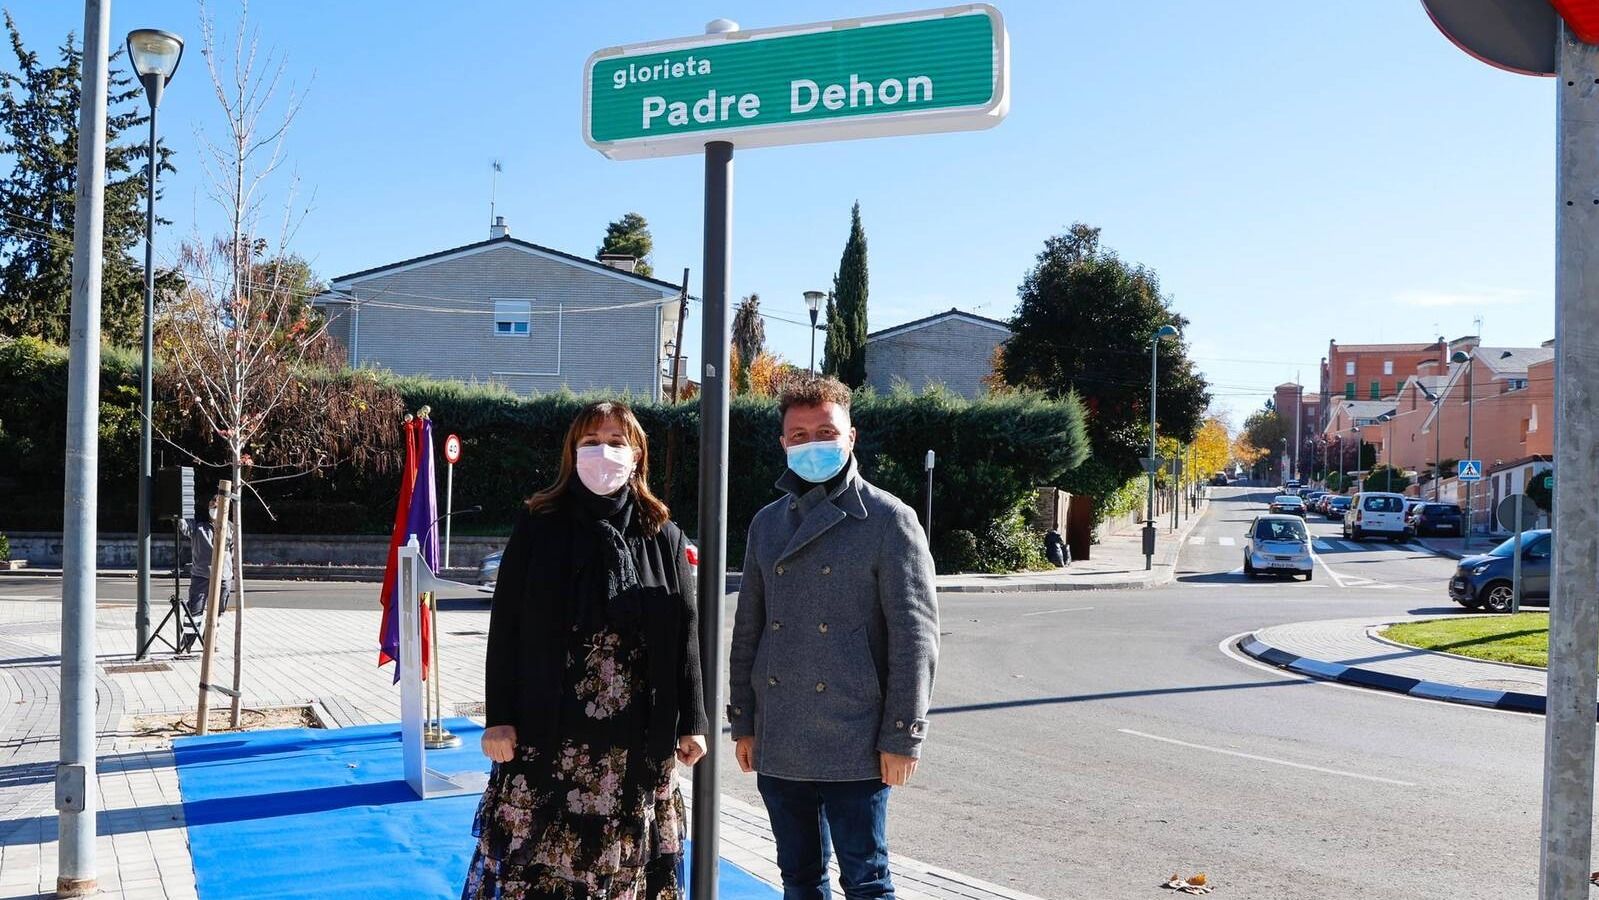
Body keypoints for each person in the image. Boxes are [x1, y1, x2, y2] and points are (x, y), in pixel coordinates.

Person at [464, 400, 709, 900]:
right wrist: (499, 718)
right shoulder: (538, 526)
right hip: (544, 743)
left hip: (634, 750)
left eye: (617, 442)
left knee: (621, 884)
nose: (604, 452)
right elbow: (506, 626)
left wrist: (695, 723)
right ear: (571, 454)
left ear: (637, 455)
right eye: (591, 442)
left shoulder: (663, 536)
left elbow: (685, 633)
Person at [728, 375, 940, 900]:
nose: (812, 444)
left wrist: (903, 736)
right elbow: (749, 629)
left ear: (851, 436)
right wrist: (745, 722)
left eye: (825, 431)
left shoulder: (891, 520)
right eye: (798, 435)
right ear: (782, 443)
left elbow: (915, 640)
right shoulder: (767, 524)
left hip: (857, 737)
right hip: (781, 734)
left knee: (866, 880)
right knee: (798, 878)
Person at [179, 493, 233, 622]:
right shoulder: (199, 526)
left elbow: (233, 550)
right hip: (201, 575)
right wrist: (178, 513)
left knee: (218, 612)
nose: (215, 506)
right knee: (194, 612)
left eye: (219, 505)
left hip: (223, 576)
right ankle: (187, 640)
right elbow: (185, 528)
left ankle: (211, 638)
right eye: (213, 503)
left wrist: (232, 571)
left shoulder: (230, 528)